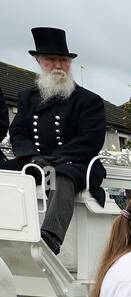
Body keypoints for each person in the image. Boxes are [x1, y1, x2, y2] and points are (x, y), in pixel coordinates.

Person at [1, 28, 107, 254]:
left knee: (57, 175)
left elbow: (90, 140)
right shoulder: (27, 98)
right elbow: (18, 132)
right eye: (51, 60)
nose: (59, 65)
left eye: (63, 60)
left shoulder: (88, 100)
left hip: (75, 163)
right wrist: (31, 156)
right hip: (35, 161)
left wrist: (55, 158)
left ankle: (50, 237)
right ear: (39, 61)